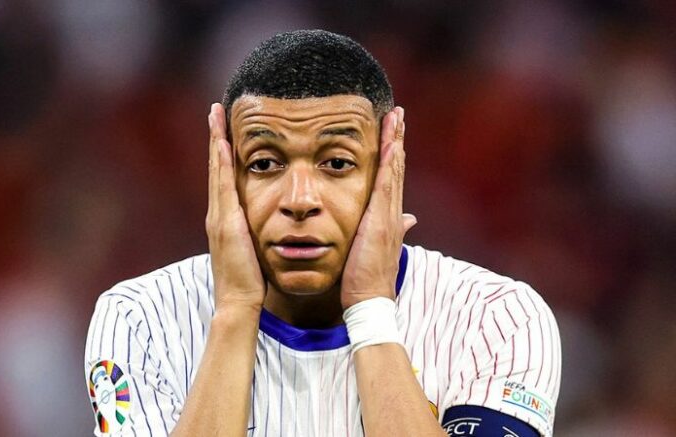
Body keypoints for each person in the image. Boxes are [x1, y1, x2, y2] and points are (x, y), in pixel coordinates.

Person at [84, 29, 561, 437]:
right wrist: (235, 311)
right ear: (224, 173)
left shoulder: (497, 320)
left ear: (388, 167)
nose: (299, 199)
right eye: (264, 164)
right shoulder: (139, 318)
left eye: (336, 163)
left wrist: (371, 309)